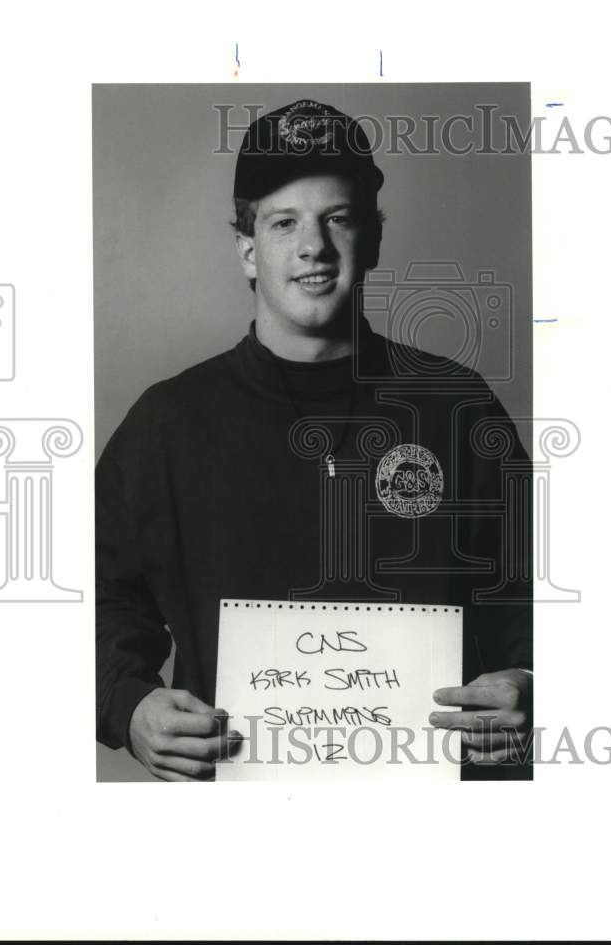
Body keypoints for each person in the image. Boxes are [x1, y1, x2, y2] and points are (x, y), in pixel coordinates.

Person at [96, 98, 532, 781]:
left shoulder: (456, 408)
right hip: (232, 825)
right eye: (283, 223)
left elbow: (539, 596)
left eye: (337, 217)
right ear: (247, 250)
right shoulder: (167, 424)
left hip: (440, 822)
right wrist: (128, 704)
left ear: (376, 238)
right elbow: (96, 597)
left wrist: (533, 686)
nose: (313, 247)